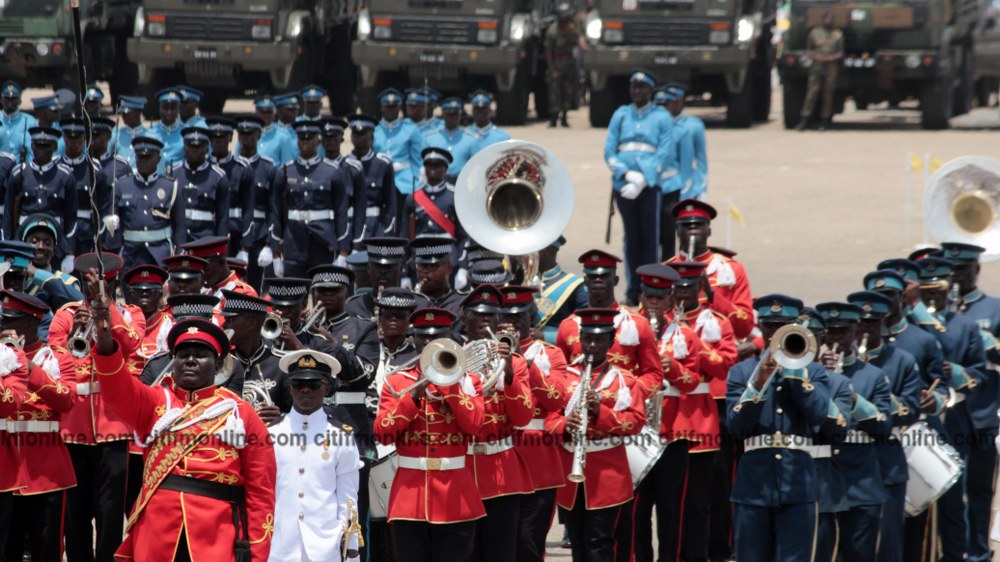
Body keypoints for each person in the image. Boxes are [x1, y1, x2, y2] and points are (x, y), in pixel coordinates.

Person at [89, 313, 276, 562]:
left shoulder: (240, 413)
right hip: (157, 532)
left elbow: (260, 491)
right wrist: (103, 331)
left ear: (218, 364)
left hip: (216, 534)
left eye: (200, 355)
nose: (190, 360)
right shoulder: (156, 402)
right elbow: (116, 387)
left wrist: (257, 552)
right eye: (182, 355)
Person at [50, 252, 144, 562]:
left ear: (112, 282)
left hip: (114, 429)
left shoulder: (130, 314)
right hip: (74, 429)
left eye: (100, 285)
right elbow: (56, 362)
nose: (92, 292)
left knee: (109, 515)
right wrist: (78, 332)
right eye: (89, 286)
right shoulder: (66, 314)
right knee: (75, 517)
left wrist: (108, 312)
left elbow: (132, 346)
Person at [374, 306, 486, 562]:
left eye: (436, 338)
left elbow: (475, 425)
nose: (429, 344)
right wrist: (412, 396)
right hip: (409, 495)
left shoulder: (469, 381)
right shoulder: (398, 382)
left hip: (455, 495)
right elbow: (382, 433)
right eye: (423, 337)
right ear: (413, 340)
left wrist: (450, 387)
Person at [726, 294, 831, 561]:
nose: (775, 333)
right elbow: (737, 426)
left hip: (797, 486)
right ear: (761, 327)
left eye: (782, 326)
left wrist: (797, 376)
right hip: (754, 488)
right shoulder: (741, 372)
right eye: (770, 326)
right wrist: (759, 383)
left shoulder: (815, 372)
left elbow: (820, 415)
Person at [547, 307, 645, 562]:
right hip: (571, 470)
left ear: (611, 342)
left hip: (607, 473)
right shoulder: (564, 376)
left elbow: (635, 423)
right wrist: (564, 426)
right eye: (587, 339)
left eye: (599, 340)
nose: (591, 345)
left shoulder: (623, 380)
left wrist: (599, 411)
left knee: (600, 540)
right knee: (578, 542)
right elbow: (548, 418)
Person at [912, 256, 987, 562]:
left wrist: (953, 371)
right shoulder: (911, 327)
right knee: (916, 505)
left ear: (948, 290)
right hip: (919, 425)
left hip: (956, 421)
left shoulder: (965, 326)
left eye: (937, 290)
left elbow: (978, 376)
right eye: (926, 291)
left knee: (954, 501)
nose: (932, 296)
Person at [631, 263, 705, 562]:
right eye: (649, 296)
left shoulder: (684, 335)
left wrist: (670, 366)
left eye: (660, 297)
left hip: (672, 435)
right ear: (641, 294)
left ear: (670, 299)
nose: (654, 303)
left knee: (671, 510)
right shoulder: (629, 331)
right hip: (636, 433)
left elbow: (693, 381)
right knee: (637, 511)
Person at [459, 285, 535, 562]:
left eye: (491, 315)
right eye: (478, 315)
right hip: (462, 469)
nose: (485, 321)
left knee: (501, 552)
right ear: (465, 318)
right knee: (465, 553)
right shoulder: (452, 360)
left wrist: (510, 373)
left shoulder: (516, 362)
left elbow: (523, 417)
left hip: (503, 472)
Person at [1, 290, 76, 562]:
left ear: (31, 325)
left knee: (46, 547)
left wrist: (29, 368)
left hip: (45, 469)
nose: (3, 328)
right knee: (8, 546)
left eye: (12, 321)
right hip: (7, 468)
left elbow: (68, 400)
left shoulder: (55, 358)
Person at [847, 290, 921, 562]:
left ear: (883, 324)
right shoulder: (837, 362)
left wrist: (873, 388)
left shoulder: (902, 360)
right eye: (861, 323)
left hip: (884, 459)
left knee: (886, 541)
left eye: (872, 323)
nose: (866, 328)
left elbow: (910, 410)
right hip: (845, 462)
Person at [268, 349, 363, 562]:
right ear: (290, 387)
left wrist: (352, 547)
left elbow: (348, 498)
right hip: (280, 544)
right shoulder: (271, 433)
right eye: (299, 384)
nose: (306, 390)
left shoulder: (341, 436)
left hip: (325, 545)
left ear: (327, 388)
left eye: (314, 384)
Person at [496, 285, 568, 562]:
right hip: (500, 458)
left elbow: (555, 399)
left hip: (537, 458)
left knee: (529, 541)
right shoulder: (489, 350)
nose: (512, 324)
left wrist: (528, 366)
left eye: (518, 317)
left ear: (532, 317)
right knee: (501, 541)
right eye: (506, 317)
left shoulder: (550, 355)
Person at [815, 301, 892, 561]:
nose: (837, 338)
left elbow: (883, 428)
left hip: (860, 480)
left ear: (856, 332)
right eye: (832, 332)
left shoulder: (874, 375)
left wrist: (851, 396)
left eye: (844, 331)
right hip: (822, 482)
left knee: (858, 554)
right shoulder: (811, 374)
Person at [942, 242, 1000, 562]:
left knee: (978, 491)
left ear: (976, 270)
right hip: (947, 414)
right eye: (951, 270)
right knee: (947, 490)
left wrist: (987, 343)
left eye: (962, 269)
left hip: (983, 412)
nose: (955, 277)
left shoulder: (994, 308)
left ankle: (977, 552)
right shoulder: (938, 312)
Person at [604, 69, 673, 304]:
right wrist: (626, 174)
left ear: (650, 90)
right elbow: (609, 151)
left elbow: (664, 153)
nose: (637, 91)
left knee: (650, 239)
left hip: (649, 185)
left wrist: (644, 179)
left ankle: (650, 290)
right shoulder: (621, 114)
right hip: (624, 185)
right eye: (634, 86)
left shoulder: (662, 116)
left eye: (642, 87)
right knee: (631, 238)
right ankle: (633, 290)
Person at [266, 120, 351, 278]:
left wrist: (343, 252)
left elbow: (341, 213)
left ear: (318, 141)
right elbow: (276, 212)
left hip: (323, 244)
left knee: (323, 296)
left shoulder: (332, 172)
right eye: (301, 138)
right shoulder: (285, 171)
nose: (305, 142)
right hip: (294, 245)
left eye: (309, 138)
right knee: (294, 296)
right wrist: (275, 252)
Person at [667, 199, 756, 339]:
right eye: (686, 225)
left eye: (698, 225)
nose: (692, 229)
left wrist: (711, 294)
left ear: (709, 231)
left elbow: (745, 326)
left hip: (718, 344)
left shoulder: (732, 269)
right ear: (677, 232)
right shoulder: (666, 270)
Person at [3, 126, 77, 266]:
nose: (41, 150)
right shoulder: (19, 173)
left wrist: (69, 251)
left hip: (54, 242)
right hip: (23, 238)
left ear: (54, 147)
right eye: (37, 145)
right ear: (32, 146)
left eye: (46, 146)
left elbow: (70, 216)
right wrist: (8, 244)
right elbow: (8, 214)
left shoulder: (65, 176)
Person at [114, 136, 184, 271]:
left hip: (160, 255)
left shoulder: (170, 186)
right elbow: (114, 226)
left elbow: (179, 226)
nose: (144, 161)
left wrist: (179, 254)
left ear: (158, 159)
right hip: (131, 255)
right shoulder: (122, 185)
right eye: (140, 157)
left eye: (148, 157)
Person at [233, 114, 278, 290]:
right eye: (243, 134)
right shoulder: (232, 167)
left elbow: (273, 208)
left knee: (255, 286)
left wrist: (269, 243)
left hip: (259, 233)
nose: (246, 138)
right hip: (234, 229)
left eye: (251, 134)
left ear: (259, 135)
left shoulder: (268, 168)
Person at [59, 117, 113, 258]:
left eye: (78, 138)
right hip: (60, 232)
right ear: (64, 138)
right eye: (70, 138)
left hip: (86, 234)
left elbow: (103, 209)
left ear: (85, 139)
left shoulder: (94, 170)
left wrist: (99, 236)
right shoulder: (55, 168)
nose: (74, 142)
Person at [345, 237, 431, 321]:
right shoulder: (354, 307)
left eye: (389, 267)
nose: (383, 271)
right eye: (378, 266)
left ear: (400, 268)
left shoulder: (420, 305)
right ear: (368, 268)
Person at [347, 114, 398, 248]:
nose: (358, 137)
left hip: (375, 226)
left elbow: (390, 203)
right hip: (350, 225)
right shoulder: (345, 164)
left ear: (371, 135)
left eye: (363, 133)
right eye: (355, 133)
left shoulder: (382, 164)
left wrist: (387, 233)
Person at [174, 126, 231, 243]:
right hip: (179, 242)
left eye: (199, 146)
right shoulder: (172, 174)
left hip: (205, 242)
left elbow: (222, 220)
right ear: (184, 147)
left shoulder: (218, 177)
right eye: (190, 145)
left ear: (207, 148)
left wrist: (220, 251)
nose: (194, 149)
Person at [206, 117, 254, 255]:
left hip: (234, 232)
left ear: (231, 138)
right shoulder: (204, 168)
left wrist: (245, 246)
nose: (218, 141)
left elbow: (248, 209)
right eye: (215, 137)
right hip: (207, 231)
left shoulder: (242, 168)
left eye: (223, 137)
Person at [401, 148, 466, 245]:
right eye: (429, 165)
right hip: (421, 251)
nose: (432, 168)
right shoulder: (413, 198)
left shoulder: (454, 197)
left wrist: (459, 258)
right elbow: (404, 233)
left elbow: (462, 234)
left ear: (446, 169)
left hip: (447, 252)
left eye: (437, 165)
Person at [535, 236, 588, 344]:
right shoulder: (518, 280)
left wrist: (545, 337)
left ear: (547, 251)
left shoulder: (575, 285)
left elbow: (583, 330)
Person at [374, 88, 424, 200]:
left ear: (399, 107)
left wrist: (417, 185)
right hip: (379, 181)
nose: (390, 110)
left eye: (394, 107)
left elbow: (417, 161)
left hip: (404, 183)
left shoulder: (411, 130)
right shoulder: (374, 131)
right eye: (387, 106)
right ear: (381, 107)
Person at [797, 11, 844, 131]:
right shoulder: (814, 33)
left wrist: (830, 58)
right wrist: (816, 57)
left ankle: (824, 121)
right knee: (812, 93)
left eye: (831, 19)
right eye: (826, 19)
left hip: (831, 67)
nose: (828, 21)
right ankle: (804, 120)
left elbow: (840, 52)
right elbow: (809, 50)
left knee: (827, 95)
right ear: (822, 20)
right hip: (816, 66)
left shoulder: (837, 35)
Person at [663, 82, 708, 201]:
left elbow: (701, 159)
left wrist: (702, 187)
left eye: (678, 100)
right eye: (671, 101)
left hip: (688, 184)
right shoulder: (658, 124)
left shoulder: (694, 125)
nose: (676, 104)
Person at [179, 236, 258, 302]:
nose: (201, 274)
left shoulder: (242, 293)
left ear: (221, 261)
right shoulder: (206, 293)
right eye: (197, 269)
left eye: (204, 267)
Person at [545, 3, 586, 128]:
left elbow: (580, 41)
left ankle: (564, 118)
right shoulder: (552, 31)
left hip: (569, 65)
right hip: (556, 64)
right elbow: (548, 51)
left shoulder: (572, 29)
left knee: (567, 92)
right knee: (554, 93)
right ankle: (553, 119)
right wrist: (552, 69)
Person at [410, 235, 464, 316]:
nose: (424, 271)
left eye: (432, 266)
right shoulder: (409, 303)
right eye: (420, 266)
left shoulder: (462, 304)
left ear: (449, 268)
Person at [423, 97, 475, 179]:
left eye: (455, 114)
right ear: (443, 114)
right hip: (436, 181)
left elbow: (474, 167)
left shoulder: (471, 139)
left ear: (460, 115)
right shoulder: (431, 138)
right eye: (449, 114)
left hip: (460, 182)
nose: (452, 118)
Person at [252, 95, 297, 165]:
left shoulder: (283, 137)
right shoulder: (247, 134)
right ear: (256, 112)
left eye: (269, 112)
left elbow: (287, 166)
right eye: (262, 112)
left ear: (274, 113)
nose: (265, 115)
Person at [0, 80, 37, 157]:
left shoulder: (30, 122)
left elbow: (32, 153)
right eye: (7, 98)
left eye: (14, 98)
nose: (10, 102)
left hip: (20, 166)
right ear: (1, 100)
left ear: (20, 100)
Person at [150, 88, 184, 170]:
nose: (169, 112)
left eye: (173, 108)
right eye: (165, 108)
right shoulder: (150, 132)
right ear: (159, 108)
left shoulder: (185, 132)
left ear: (178, 109)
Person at [112, 95, 149, 167]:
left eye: (127, 113)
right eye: (122, 113)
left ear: (138, 113)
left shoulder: (149, 135)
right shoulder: (116, 134)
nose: (124, 116)